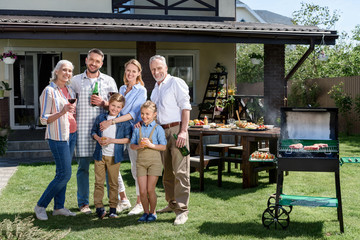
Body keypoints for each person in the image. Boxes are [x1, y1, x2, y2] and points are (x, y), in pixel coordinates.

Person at [70, 48, 118, 214]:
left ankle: (108, 203)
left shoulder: (109, 81)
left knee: (105, 169)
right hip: (82, 131)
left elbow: (116, 106)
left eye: (97, 61)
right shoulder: (75, 81)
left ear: (101, 63)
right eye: (91, 60)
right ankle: (83, 203)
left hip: (103, 132)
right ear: (86, 60)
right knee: (83, 168)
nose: (94, 63)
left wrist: (104, 103)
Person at [100, 59, 147, 215]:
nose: (130, 74)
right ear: (125, 71)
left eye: (134, 71)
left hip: (133, 132)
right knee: (112, 164)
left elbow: (134, 114)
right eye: (128, 70)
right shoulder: (121, 88)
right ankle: (124, 199)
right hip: (117, 131)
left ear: (139, 73)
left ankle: (139, 203)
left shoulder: (141, 91)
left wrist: (112, 121)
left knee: (136, 167)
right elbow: (118, 109)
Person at [149, 55, 192, 225]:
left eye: (159, 68)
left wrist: (183, 131)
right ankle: (172, 203)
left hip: (176, 131)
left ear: (166, 68)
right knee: (167, 172)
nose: (156, 72)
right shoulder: (155, 88)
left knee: (181, 171)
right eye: (153, 69)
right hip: (161, 132)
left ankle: (182, 210)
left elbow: (186, 107)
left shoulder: (176, 82)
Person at [35, 60, 77, 220]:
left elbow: (71, 111)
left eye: (70, 71)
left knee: (61, 173)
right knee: (64, 174)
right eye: (64, 70)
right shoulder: (49, 91)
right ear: (57, 71)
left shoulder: (69, 89)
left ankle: (59, 207)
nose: (67, 73)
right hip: (58, 137)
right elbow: (43, 119)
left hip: (71, 134)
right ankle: (40, 206)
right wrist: (62, 111)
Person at [91, 93, 132, 219]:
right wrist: (98, 138)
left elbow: (127, 139)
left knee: (113, 183)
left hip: (115, 156)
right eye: (113, 105)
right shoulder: (101, 118)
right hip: (100, 155)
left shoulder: (123, 122)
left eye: (118, 107)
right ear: (109, 104)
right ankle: (99, 207)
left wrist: (111, 140)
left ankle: (113, 208)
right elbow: (93, 132)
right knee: (99, 182)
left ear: (122, 108)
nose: (115, 109)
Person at [130, 101, 166, 222]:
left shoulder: (158, 129)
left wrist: (151, 145)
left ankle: (153, 212)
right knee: (142, 191)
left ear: (154, 114)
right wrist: (139, 146)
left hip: (154, 162)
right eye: (142, 114)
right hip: (141, 162)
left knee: (150, 189)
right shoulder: (137, 129)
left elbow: (163, 146)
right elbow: (132, 145)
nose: (144, 116)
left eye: (147, 114)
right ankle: (145, 212)